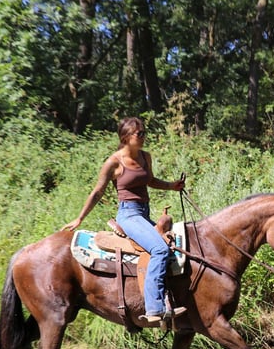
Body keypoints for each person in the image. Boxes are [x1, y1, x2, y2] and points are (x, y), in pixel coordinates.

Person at [62, 117, 186, 323]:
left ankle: (171, 299)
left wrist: (171, 186)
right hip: (128, 215)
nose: (144, 137)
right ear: (126, 136)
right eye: (140, 134)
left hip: (143, 214)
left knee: (172, 245)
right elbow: (98, 191)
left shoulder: (145, 157)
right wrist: (80, 218)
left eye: (144, 132)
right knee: (160, 250)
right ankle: (154, 308)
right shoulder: (114, 162)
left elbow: (150, 180)